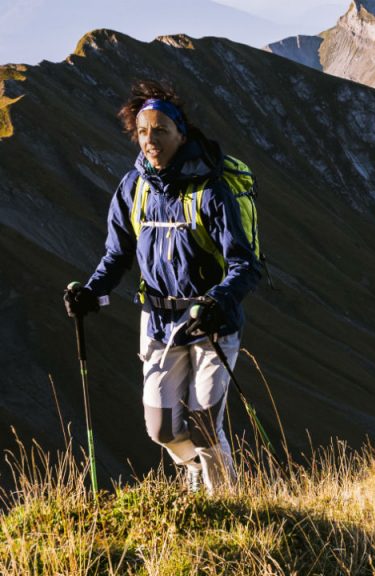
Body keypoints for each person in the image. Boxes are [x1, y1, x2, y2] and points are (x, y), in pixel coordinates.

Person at [63, 79, 260, 495]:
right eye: (143, 131)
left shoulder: (211, 190)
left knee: (206, 423)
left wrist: (216, 300)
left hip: (211, 324)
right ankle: (191, 468)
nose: (150, 140)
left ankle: (228, 506)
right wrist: (90, 292)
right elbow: (117, 255)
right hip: (157, 322)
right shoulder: (133, 188)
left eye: (160, 131)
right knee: (162, 429)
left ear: (181, 135)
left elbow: (246, 263)